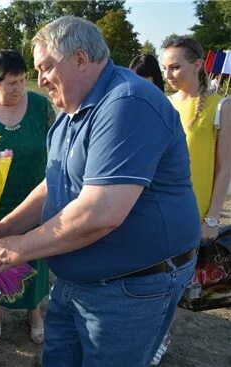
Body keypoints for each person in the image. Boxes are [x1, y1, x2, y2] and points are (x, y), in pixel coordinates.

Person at [0, 16, 200, 367]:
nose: (39, 80)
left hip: (130, 287)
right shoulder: (71, 110)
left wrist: (18, 248)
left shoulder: (127, 103)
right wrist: (6, 227)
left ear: (80, 59)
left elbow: (100, 213)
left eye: (45, 67)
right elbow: (55, 181)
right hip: (79, 279)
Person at [0, 49, 54, 345]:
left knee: (36, 261)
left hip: (37, 199)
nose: (18, 88)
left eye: (22, 80)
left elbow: (59, 150)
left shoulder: (42, 107)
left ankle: (34, 311)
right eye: (11, 83)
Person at [153, 35, 231, 365]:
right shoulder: (166, 103)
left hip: (194, 214)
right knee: (155, 278)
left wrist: (212, 218)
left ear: (198, 65)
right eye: (164, 67)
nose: (168, 74)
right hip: (159, 210)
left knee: (179, 283)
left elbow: (224, 166)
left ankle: (161, 338)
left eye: (175, 67)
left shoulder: (222, 107)